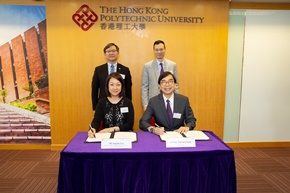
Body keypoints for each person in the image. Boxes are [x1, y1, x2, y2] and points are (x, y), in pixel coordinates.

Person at [88, 72, 134, 137]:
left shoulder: (127, 102)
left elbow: (129, 124)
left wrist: (112, 129)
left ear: (122, 86)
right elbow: (96, 121)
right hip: (106, 136)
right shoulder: (101, 103)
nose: (115, 88)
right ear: (107, 86)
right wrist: (92, 129)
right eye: (112, 84)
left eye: (118, 84)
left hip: (124, 136)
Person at [91, 43, 132, 110]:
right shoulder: (99, 70)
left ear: (118, 53)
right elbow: (94, 90)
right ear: (105, 54)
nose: (111, 53)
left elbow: (128, 90)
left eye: (113, 51)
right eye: (108, 51)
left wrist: (128, 105)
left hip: (121, 104)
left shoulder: (125, 70)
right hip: (103, 105)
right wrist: (95, 107)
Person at [141, 40, 178, 111]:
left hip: (170, 100)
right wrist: (145, 104)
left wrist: (177, 100)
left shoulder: (172, 65)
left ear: (165, 49)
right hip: (154, 101)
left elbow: (176, 84)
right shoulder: (147, 66)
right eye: (157, 50)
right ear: (154, 51)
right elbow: (144, 86)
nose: (159, 52)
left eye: (161, 49)